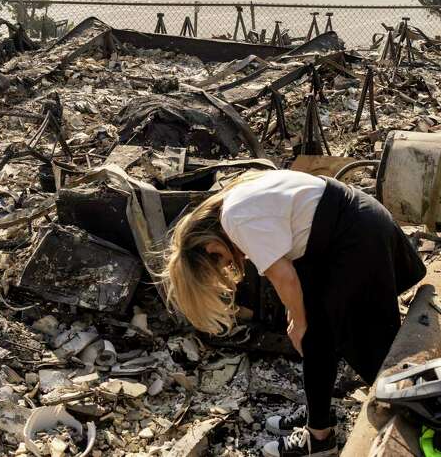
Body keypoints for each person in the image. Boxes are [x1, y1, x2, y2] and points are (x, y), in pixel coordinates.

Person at [161, 169, 426, 457]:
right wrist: (296, 311)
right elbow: (293, 246)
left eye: (222, 263)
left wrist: (298, 319)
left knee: (361, 346)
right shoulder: (233, 204)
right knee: (317, 336)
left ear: (211, 246)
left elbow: (284, 276)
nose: (232, 265)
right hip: (350, 228)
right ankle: (319, 419)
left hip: (355, 238)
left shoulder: (236, 218)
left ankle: (418, 416)